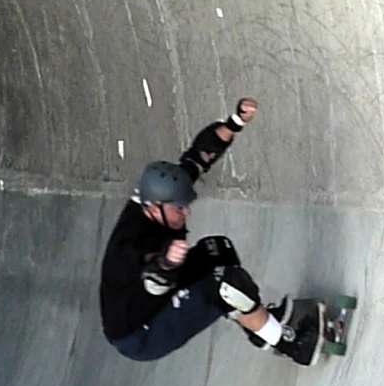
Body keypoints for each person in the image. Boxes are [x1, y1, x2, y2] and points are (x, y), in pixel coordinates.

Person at [99, 97, 321, 366]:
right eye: (179, 209)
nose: (186, 212)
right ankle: (291, 345)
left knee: (217, 251)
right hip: (141, 332)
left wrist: (235, 122)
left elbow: (198, 155)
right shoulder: (130, 245)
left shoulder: (158, 195)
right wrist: (167, 262)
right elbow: (152, 278)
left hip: (152, 296)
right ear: (155, 208)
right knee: (222, 284)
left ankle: (259, 328)